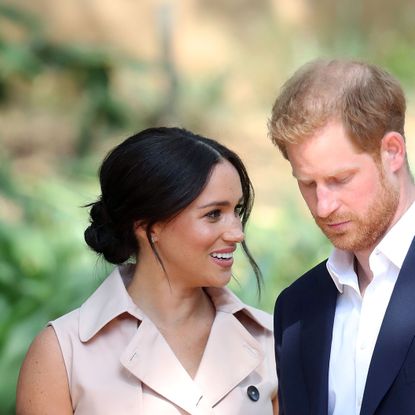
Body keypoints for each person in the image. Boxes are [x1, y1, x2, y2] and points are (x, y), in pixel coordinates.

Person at [16, 127, 278, 414]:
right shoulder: (63, 352)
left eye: (237, 211)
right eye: (213, 214)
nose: (237, 233)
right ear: (147, 226)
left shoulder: (270, 340)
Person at [268, 59, 415, 415]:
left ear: (392, 151)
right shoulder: (296, 308)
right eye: (307, 183)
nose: (323, 206)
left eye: (339, 179)